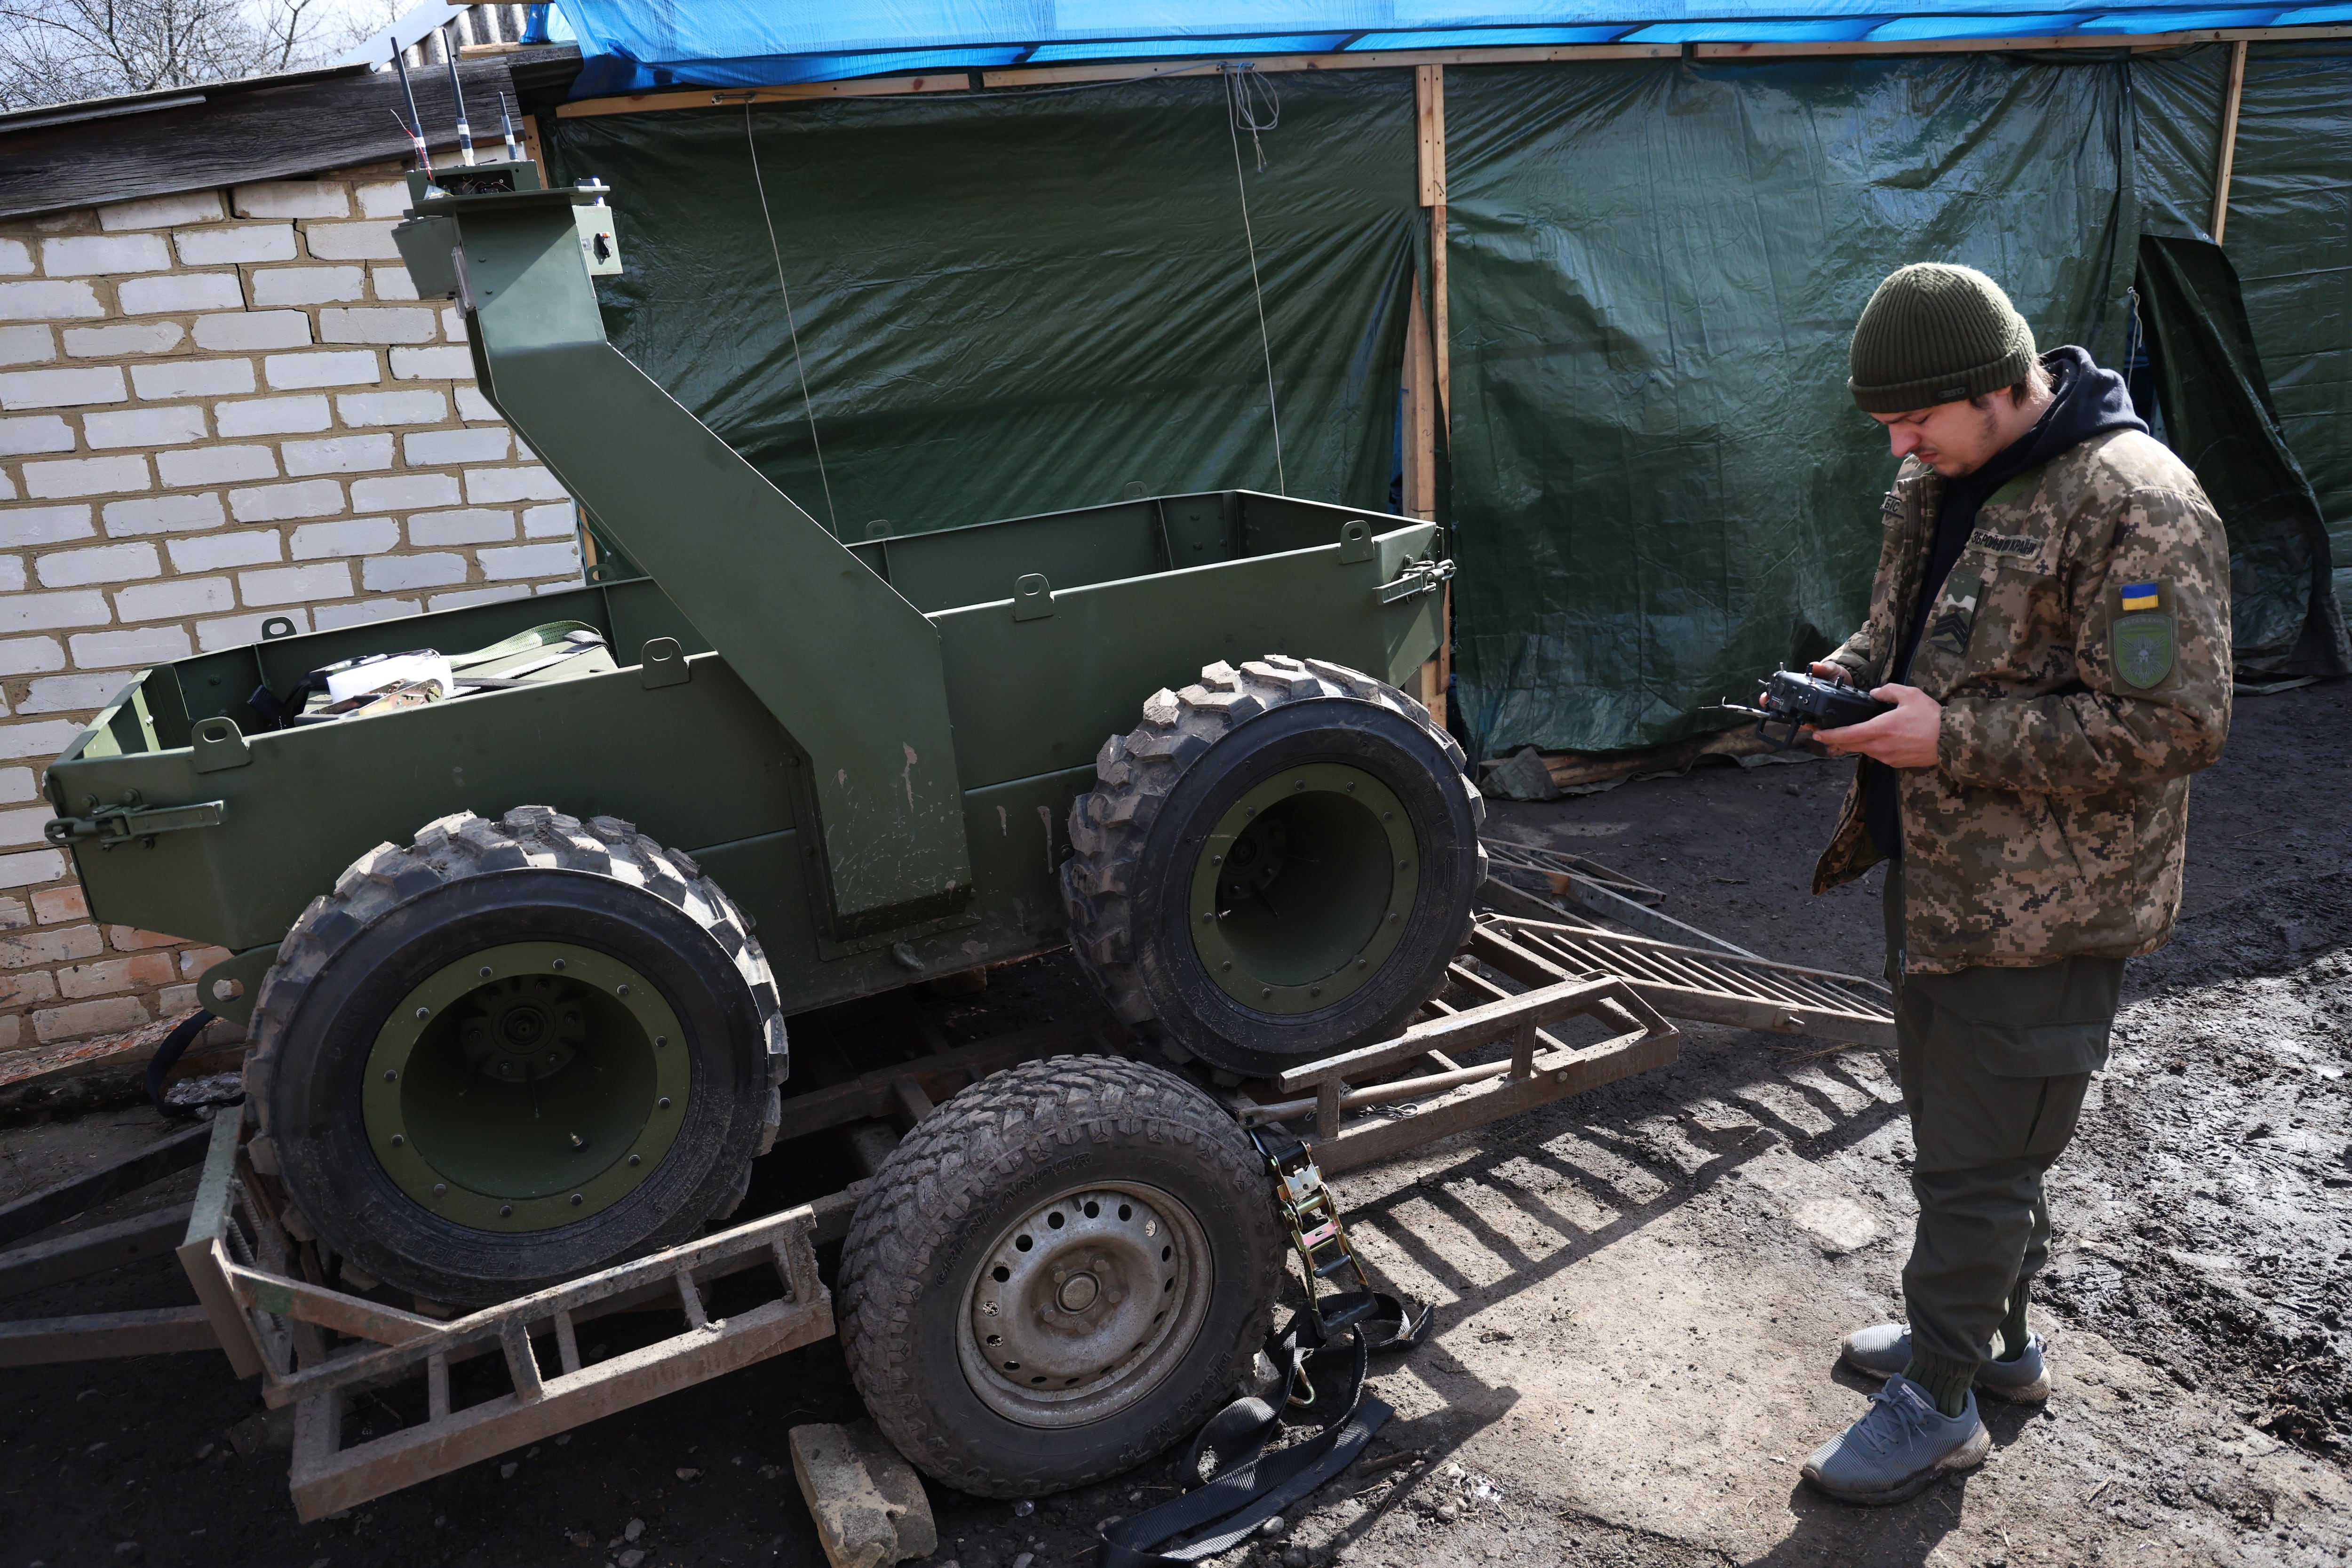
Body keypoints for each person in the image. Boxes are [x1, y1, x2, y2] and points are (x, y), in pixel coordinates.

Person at [1792, 263, 2232, 1504]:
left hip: (2049, 910)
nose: (1897, 444)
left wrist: (1952, 737)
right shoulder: (1937, 477)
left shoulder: (2138, 503)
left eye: (1915, 418)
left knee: (1980, 1166)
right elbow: (1903, 633)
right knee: (1959, 1136)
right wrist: (1846, 678)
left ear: (1999, 388)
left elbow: (2177, 724)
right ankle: (1997, 1345)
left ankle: (1939, 1404)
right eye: (1886, 423)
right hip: (1938, 879)